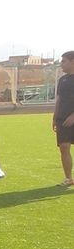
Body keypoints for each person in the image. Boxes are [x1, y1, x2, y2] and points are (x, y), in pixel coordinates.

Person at [53, 50, 74, 186]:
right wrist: (55, 117)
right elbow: (59, 99)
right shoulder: (62, 80)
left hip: (72, 117)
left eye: (64, 61)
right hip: (62, 119)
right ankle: (69, 178)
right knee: (64, 147)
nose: (61, 64)